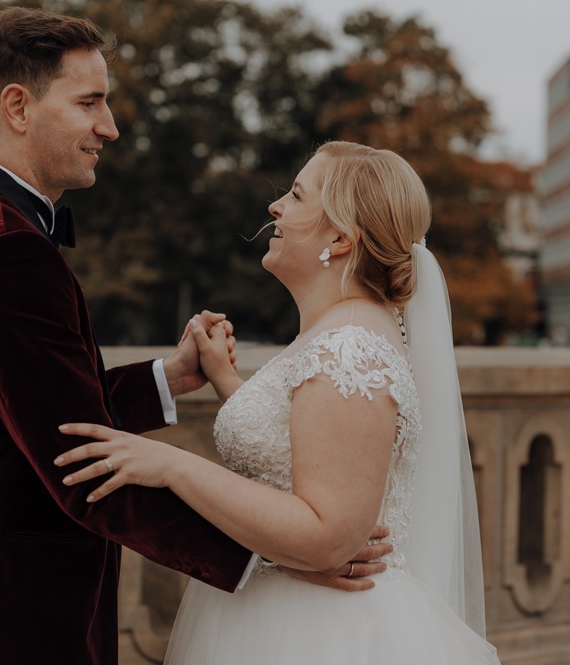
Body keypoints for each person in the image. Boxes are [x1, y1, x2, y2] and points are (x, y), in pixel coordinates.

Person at [0, 9, 385, 665]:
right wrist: (270, 555)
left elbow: (35, 404)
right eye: (90, 102)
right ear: (17, 106)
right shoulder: (2, 246)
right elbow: (78, 458)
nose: (110, 127)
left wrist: (171, 377)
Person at [56, 141, 502, 664]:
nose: (276, 208)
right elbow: (304, 450)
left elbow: (326, 538)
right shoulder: (343, 332)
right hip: (279, 611)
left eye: (295, 195)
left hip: (320, 633)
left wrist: (172, 465)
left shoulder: (349, 348)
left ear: (339, 238)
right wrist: (224, 379)